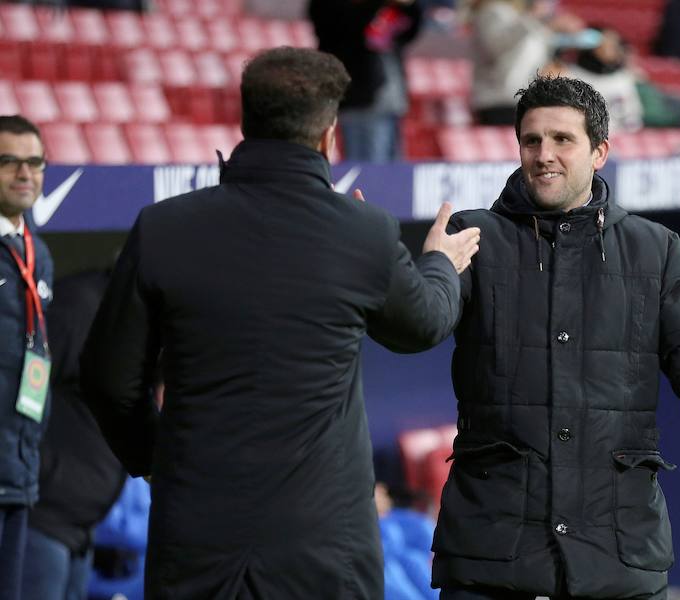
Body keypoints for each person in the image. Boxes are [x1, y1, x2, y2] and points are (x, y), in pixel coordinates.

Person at [79, 47, 480, 600]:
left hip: (198, 532)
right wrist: (438, 263)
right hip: (324, 542)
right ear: (328, 136)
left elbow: (107, 379)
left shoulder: (163, 227)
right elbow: (422, 325)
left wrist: (158, 461)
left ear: (245, 123)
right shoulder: (362, 231)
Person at [431, 76, 680, 599]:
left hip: (617, 552)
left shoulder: (654, 250)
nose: (544, 154)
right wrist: (420, 271)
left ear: (600, 151)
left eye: (562, 139)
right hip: (492, 553)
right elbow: (416, 325)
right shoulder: (473, 238)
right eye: (532, 140)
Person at [21, 270, 127, 600]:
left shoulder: (132, 320)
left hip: (80, 535)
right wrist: (40, 474)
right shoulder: (81, 306)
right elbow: (21, 394)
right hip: (39, 522)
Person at [0, 114, 54, 600]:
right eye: (8, 161)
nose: (25, 173)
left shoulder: (40, 254)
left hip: (18, 469)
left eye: (34, 162)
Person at [309, 0, 423, 162]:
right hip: (359, 98)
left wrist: (411, 7)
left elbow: (407, 32)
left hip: (391, 98)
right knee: (366, 169)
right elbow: (349, 28)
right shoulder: (332, 7)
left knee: (394, 169)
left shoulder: (385, 10)